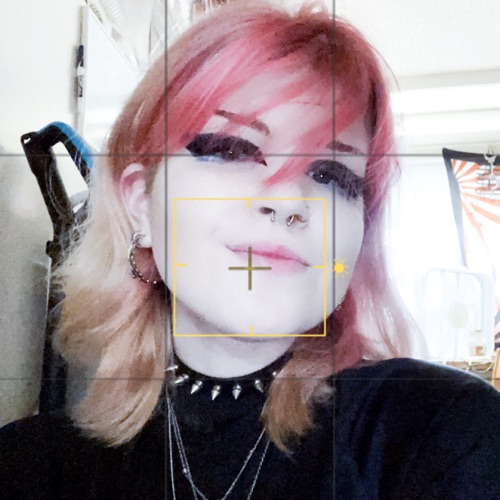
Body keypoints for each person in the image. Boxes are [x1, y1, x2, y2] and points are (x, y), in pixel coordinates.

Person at [1, 1, 499, 498]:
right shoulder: (27, 466)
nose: (289, 201)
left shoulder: (445, 434)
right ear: (140, 204)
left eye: (332, 175)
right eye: (232, 150)